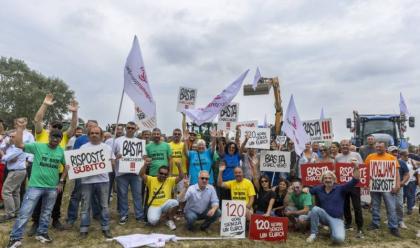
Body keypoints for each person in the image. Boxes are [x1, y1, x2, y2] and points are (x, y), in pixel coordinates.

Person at [7, 118, 67, 247]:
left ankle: (42, 233)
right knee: (25, 213)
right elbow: (19, 145)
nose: (55, 139)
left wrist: (61, 181)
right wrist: (19, 129)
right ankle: (15, 238)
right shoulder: (38, 146)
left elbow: (67, 165)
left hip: (52, 188)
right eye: (53, 136)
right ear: (49, 136)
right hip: (35, 186)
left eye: (58, 137)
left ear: (61, 140)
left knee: (46, 212)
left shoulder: (61, 151)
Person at [30, 93, 78, 233]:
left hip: (57, 173)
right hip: (40, 171)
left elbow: (73, 127)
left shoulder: (63, 137)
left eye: (59, 126)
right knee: (38, 198)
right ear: (49, 126)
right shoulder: (41, 133)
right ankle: (36, 222)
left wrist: (74, 113)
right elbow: (37, 120)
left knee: (57, 197)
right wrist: (45, 104)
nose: (57, 128)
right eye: (54, 125)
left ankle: (55, 219)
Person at [306, 163, 360, 244]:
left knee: (339, 239)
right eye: (326, 178)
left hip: (337, 219)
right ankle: (313, 234)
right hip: (323, 217)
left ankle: (332, 230)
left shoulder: (340, 188)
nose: (328, 180)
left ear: (334, 179)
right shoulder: (318, 188)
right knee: (315, 209)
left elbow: (355, 180)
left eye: (330, 178)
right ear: (322, 180)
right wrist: (305, 189)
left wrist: (356, 168)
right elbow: (308, 192)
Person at [64, 120, 100, 230]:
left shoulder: (100, 139)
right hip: (82, 173)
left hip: (96, 172)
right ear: (86, 127)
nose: (91, 128)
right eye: (89, 126)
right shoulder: (80, 139)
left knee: (95, 194)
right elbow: (75, 155)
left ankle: (97, 214)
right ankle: (71, 217)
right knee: (77, 195)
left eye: (94, 126)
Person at [78, 126, 114, 239]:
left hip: (103, 180)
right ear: (88, 135)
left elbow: (112, 163)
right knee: (85, 206)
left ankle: (105, 227)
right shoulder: (83, 147)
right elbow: (78, 163)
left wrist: (111, 162)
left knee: (104, 206)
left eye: (97, 133)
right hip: (86, 181)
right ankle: (84, 228)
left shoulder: (107, 148)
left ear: (101, 135)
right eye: (92, 133)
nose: (94, 135)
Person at [365, 141, 401, 237]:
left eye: (380, 147)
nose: (378, 148)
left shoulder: (392, 158)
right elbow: (365, 171)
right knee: (375, 205)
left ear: (385, 148)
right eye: (377, 147)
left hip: (388, 187)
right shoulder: (370, 157)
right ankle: (375, 223)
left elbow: (397, 173)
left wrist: (397, 185)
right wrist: (365, 182)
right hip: (374, 186)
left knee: (391, 207)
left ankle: (393, 227)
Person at [113, 122, 144, 225]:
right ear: (125, 129)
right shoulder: (117, 141)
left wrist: (146, 159)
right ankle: (123, 215)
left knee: (137, 195)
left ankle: (139, 215)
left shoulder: (139, 142)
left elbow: (143, 156)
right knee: (122, 195)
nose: (130, 129)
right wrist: (116, 157)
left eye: (132, 128)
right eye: (129, 128)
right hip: (121, 174)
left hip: (136, 174)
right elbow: (111, 156)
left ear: (135, 129)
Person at [140, 159, 183, 230]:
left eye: (165, 174)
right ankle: (163, 216)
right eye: (161, 173)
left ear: (167, 175)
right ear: (158, 173)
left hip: (165, 204)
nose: (163, 175)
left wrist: (179, 166)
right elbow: (141, 175)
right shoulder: (151, 179)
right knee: (153, 222)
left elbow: (181, 177)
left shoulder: (169, 180)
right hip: (154, 205)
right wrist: (145, 165)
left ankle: (169, 220)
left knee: (175, 202)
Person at [335, 139, 364, 238]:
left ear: (350, 145)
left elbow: (363, 168)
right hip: (343, 185)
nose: (345, 146)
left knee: (357, 206)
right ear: (340, 147)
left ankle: (360, 226)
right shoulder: (337, 157)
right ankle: (348, 223)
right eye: (343, 145)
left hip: (355, 185)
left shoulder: (356, 155)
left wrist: (356, 166)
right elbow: (336, 170)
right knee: (345, 205)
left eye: (346, 145)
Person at [0, 130, 27, 222]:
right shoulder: (13, 147)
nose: (11, 138)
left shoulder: (18, 148)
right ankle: (16, 212)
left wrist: (3, 154)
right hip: (18, 171)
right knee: (15, 192)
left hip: (16, 171)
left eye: (13, 137)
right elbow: (9, 157)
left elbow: (6, 158)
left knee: (6, 192)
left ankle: (10, 213)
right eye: (10, 136)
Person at [388, 146, 409, 229]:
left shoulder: (402, 162)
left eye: (396, 152)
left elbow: (407, 175)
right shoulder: (385, 161)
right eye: (393, 152)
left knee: (399, 204)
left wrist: (400, 183)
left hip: (399, 187)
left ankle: (400, 221)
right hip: (388, 187)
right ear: (388, 152)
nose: (395, 153)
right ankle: (390, 219)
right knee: (390, 205)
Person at [401, 150, 417, 215]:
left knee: (410, 195)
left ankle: (409, 209)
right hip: (402, 181)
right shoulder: (399, 161)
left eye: (408, 155)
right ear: (401, 155)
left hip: (410, 181)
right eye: (405, 155)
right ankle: (401, 208)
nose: (407, 156)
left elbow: (416, 170)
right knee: (402, 195)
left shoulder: (411, 161)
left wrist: (414, 167)